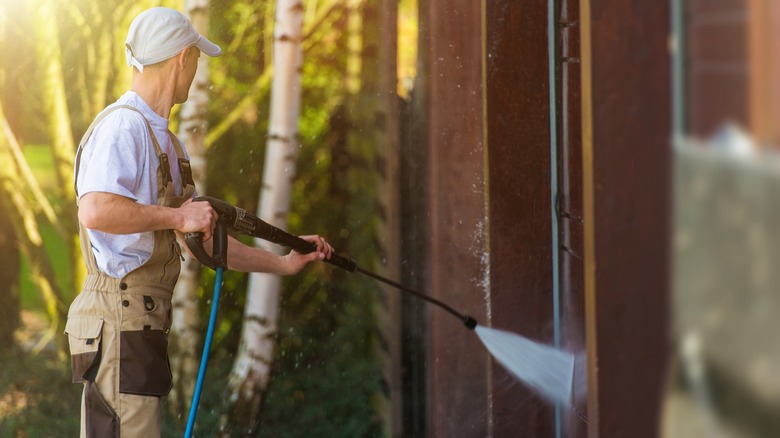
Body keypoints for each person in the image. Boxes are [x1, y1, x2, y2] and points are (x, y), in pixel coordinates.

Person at [65, 7, 333, 437]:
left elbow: (199, 241)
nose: (195, 69)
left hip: (140, 323)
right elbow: (95, 210)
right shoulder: (123, 127)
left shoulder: (167, 143)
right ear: (182, 58)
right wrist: (177, 214)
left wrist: (282, 263)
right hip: (118, 318)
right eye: (196, 59)